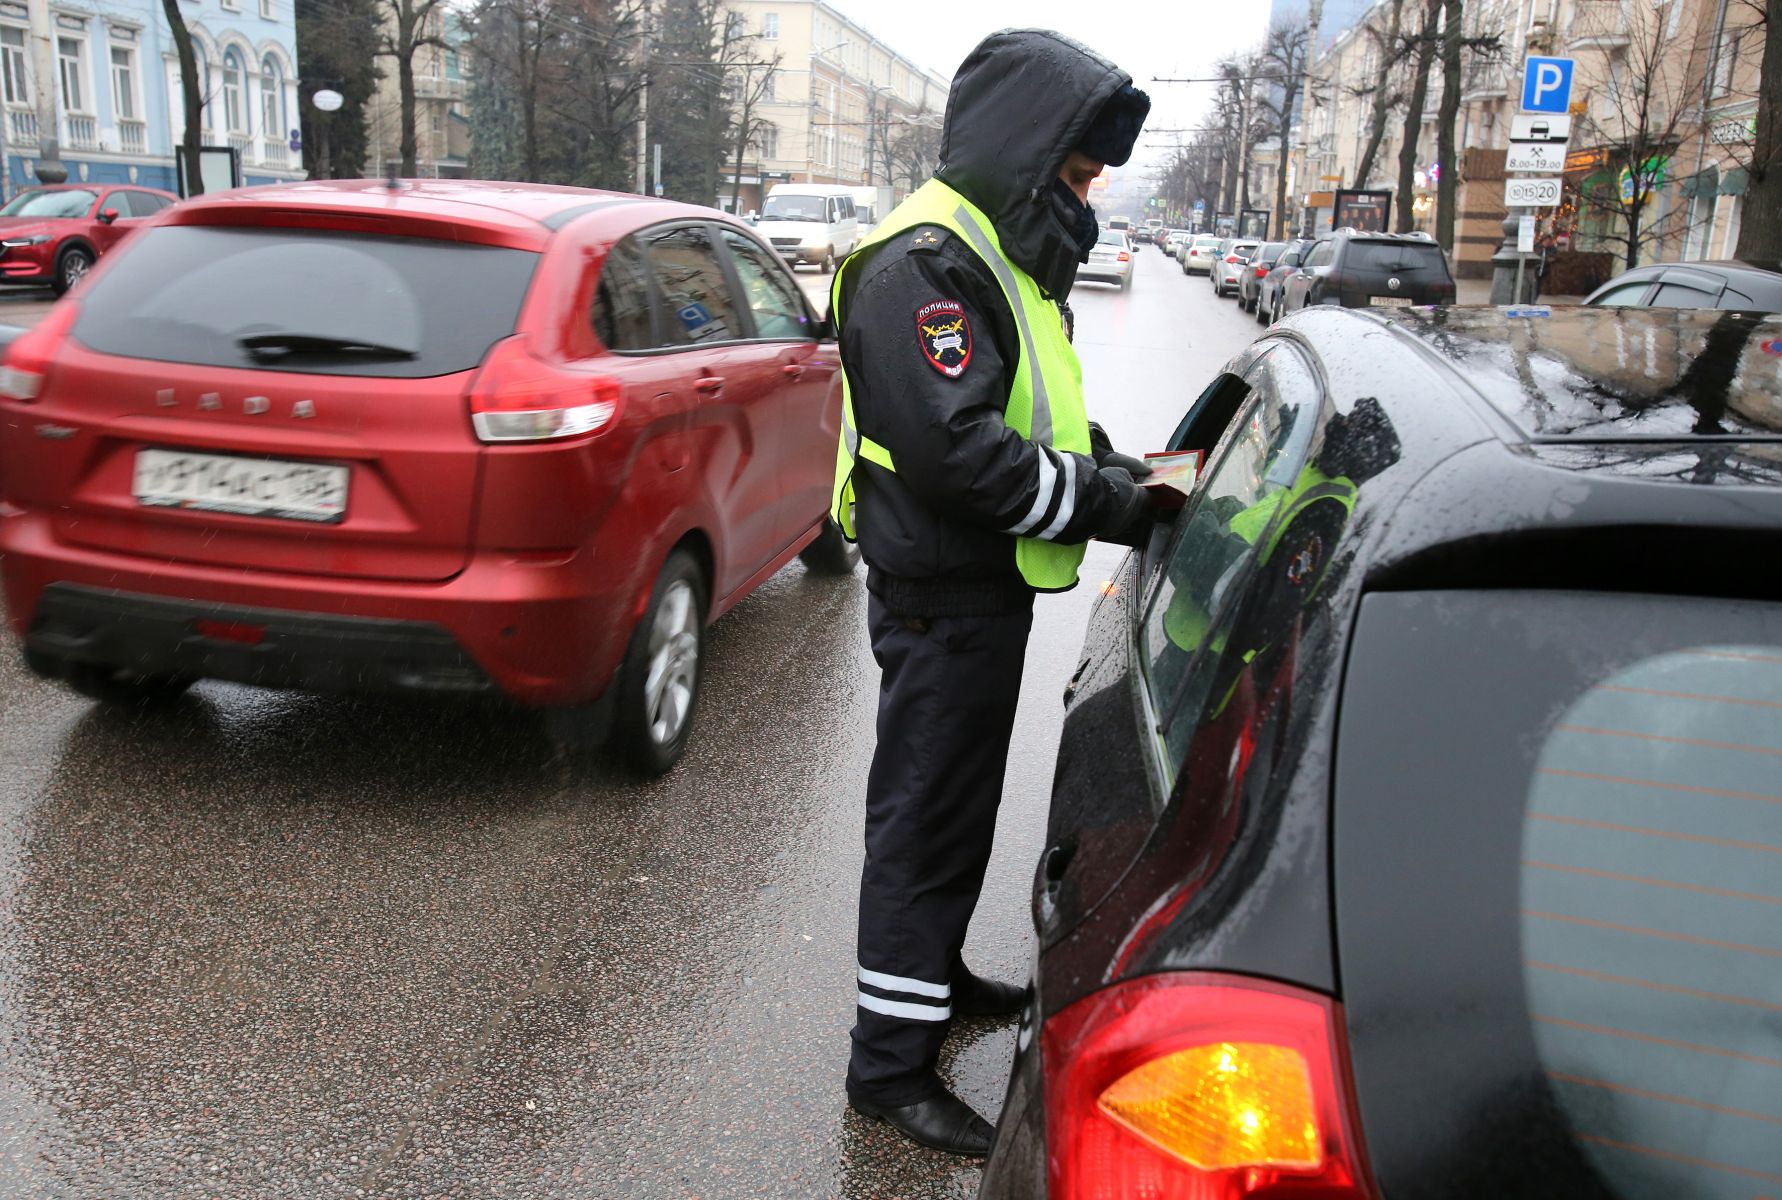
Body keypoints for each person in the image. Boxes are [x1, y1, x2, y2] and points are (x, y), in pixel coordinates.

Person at [827, 29, 1156, 1157]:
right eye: (1073, 170)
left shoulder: (989, 251)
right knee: (923, 818)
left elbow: (1035, 417)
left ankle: (935, 978)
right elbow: (964, 454)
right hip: (940, 587)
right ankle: (888, 1068)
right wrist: (1119, 506)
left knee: (956, 805)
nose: (1086, 193)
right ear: (1026, 149)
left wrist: (1125, 470)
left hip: (976, 587)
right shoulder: (923, 261)